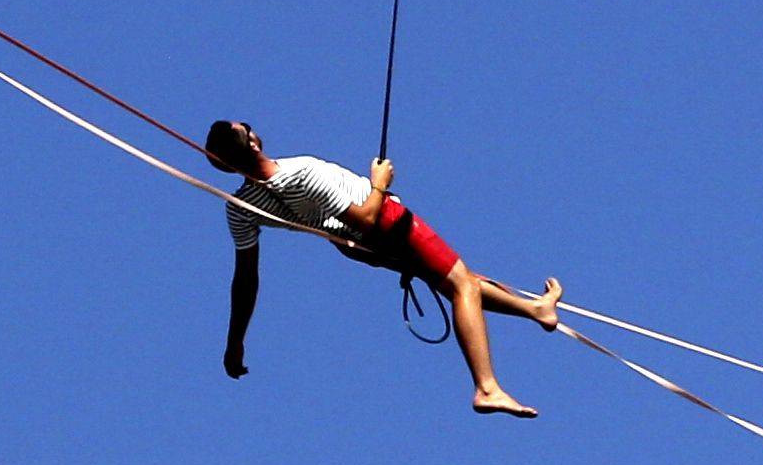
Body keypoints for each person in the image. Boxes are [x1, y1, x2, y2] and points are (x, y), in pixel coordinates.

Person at [204, 118, 562, 418]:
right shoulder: (302, 173)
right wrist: (379, 183)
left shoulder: (239, 207)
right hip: (387, 224)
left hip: (363, 249)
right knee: (463, 287)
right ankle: (487, 387)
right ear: (251, 143)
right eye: (246, 127)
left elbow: (245, 280)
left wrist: (235, 343)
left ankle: (536, 309)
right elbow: (368, 218)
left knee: (461, 281)